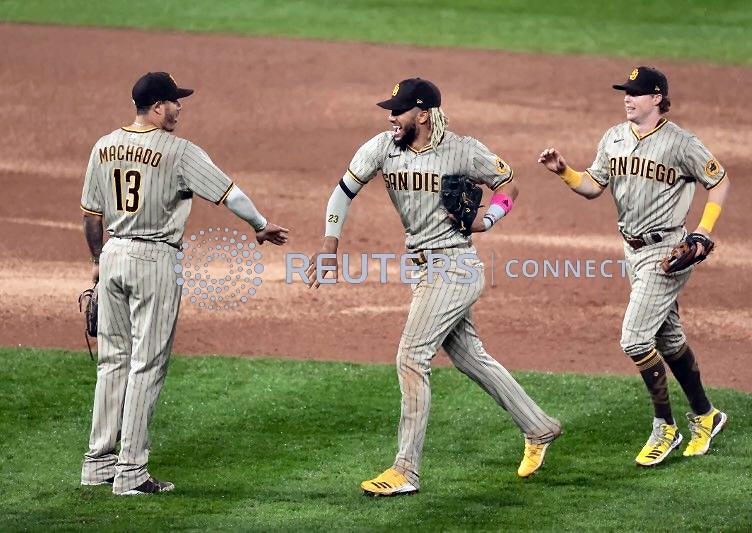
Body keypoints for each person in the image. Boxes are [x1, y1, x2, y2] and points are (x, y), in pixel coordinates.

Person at [306, 78, 561, 496]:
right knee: (471, 357)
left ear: (423, 115)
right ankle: (539, 426)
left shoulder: (463, 150)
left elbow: (508, 184)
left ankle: (405, 470)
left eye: (399, 111)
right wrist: (329, 245)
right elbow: (342, 193)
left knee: (411, 358)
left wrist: (488, 219)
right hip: (425, 270)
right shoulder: (382, 148)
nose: (391, 118)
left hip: (455, 267)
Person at [79, 72, 288, 495]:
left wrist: (98, 262)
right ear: (158, 107)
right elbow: (230, 194)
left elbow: (91, 217)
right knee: (146, 364)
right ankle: (131, 471)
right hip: (155, 259)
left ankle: (98, 463)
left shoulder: (104, 146)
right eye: (175, 102)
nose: (180, 108)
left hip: (114, 253)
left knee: (112, 362)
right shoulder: (179, 151)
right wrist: (260, 225)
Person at [538, 66, 730, 467]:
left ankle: (665, 427)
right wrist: (564, 172)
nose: (628, 98)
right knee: (668, 340)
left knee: (635, 340)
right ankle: (707, 415)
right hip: (633, 252)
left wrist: (703, 231)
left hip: (668, 252)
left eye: (636, 93)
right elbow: (593, 185)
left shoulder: (680, 143)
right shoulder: (613, 137)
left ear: (657, 98)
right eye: (625, 92)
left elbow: (719, 182)